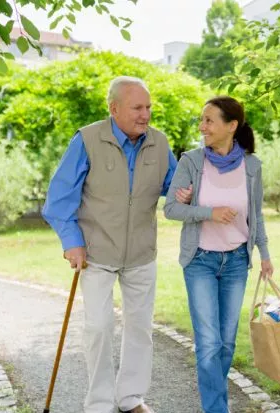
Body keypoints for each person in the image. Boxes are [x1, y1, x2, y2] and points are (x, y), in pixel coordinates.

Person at [42, 76, 189, 413]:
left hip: (141, 253)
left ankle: (131, 398)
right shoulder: (88, 139)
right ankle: (99, 403)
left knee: (140, 328)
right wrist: (72, 243)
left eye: (148, 107)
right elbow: (59, 199)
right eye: (138, 107)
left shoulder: (159, 142)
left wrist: (186, 191)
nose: (145, 114)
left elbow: (174, 183)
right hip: (96, 252)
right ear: (114, 108)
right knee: (98, 327)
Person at [164, 96, 274, 413]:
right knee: (209, 343)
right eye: (202, 120)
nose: (202, 126)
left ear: (232, 126)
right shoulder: (191, 162)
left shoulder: (252, 167)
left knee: (226, 343)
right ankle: (216, 409)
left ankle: (216, 402)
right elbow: (171, 209)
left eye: (209, 120)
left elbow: (257, 215)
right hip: (200, 260)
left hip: (237, 261)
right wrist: (208, 212)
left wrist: (264, 253)